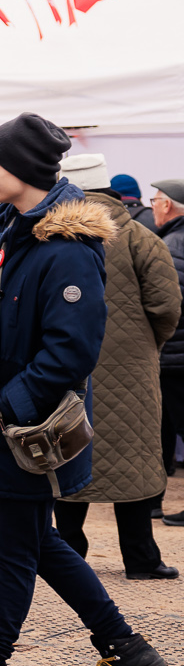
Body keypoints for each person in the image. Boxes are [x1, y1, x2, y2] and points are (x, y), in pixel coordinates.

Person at [0, 114, 168, 666]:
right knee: (37, 539)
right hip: (3, 419)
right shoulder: (10, 229)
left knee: (16, 547)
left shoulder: (66, 250)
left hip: (29, 428)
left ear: (23, 171)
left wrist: (11, 403)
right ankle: (123, 646)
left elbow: (71, 350)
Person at [50, 155, 180, 578]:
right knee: (134, 457)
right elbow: (166, 306)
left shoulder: (50, 235)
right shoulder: (142, 237)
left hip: (66, 363)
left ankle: (68, 555)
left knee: (69, 450)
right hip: (133, 367)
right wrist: (145, 346)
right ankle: (141, 558)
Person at [150, 177, 184, 502]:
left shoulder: (171, 245)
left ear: (168, 205)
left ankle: (152, 501)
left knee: (164, 428)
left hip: (174, 355)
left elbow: (168, 305)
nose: (152, 207)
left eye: (154, 201)